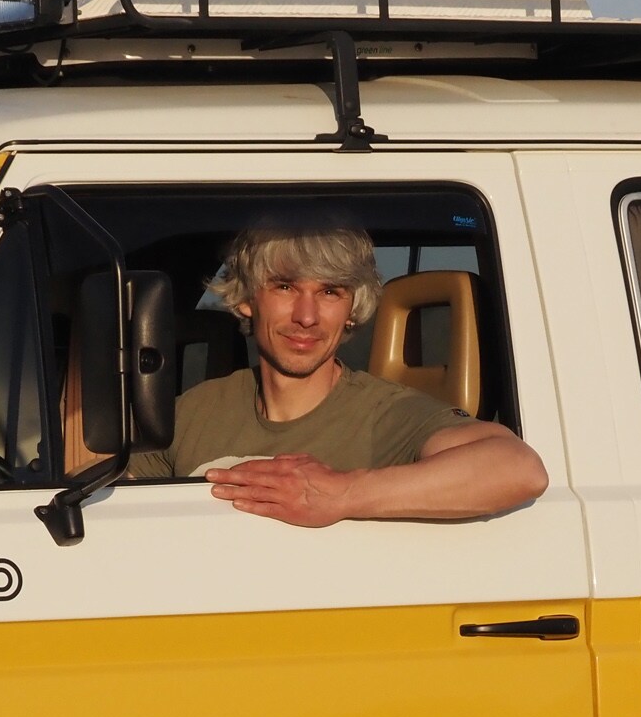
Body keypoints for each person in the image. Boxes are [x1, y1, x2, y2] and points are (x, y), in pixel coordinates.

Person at [125, 224, 548, 527]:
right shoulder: (195, 410)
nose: (307, 317)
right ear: (248, 299)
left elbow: (518, 469)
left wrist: (342, 494)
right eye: (285, 287)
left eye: (330, 292)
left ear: (351, 311)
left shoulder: (387, 415)